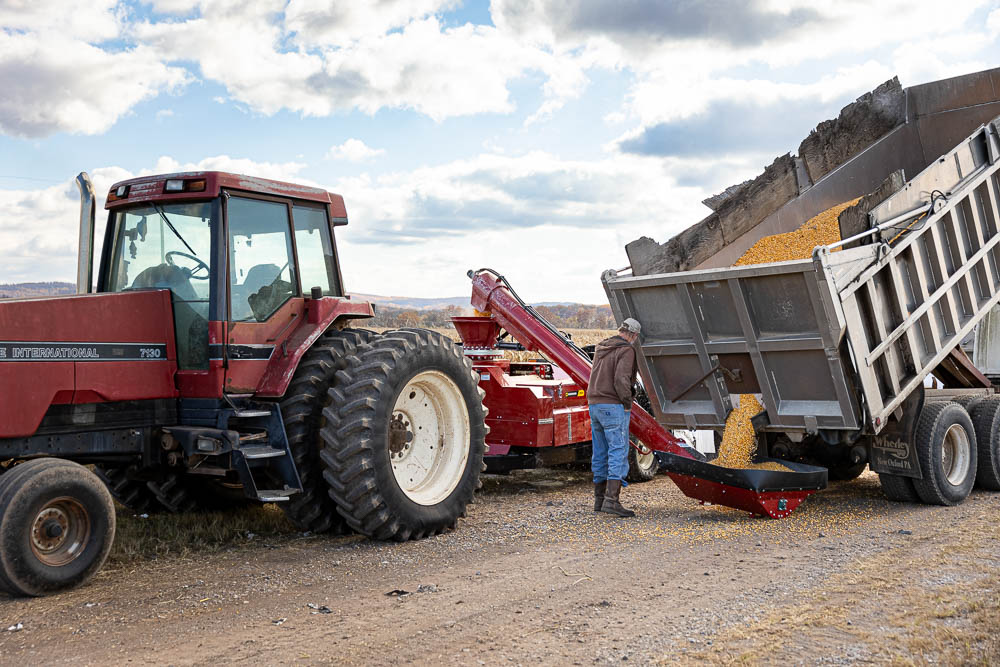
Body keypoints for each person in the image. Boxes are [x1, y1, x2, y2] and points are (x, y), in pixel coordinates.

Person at [588, 317, 641, 517]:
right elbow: (621, 380)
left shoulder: (602, 347)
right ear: (633, 335)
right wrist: (627, 401)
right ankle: (612, 501)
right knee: (618, 450)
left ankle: (599, 500)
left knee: (600, 451)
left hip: (594, 404)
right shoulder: (626, 350)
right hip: (612, 405)